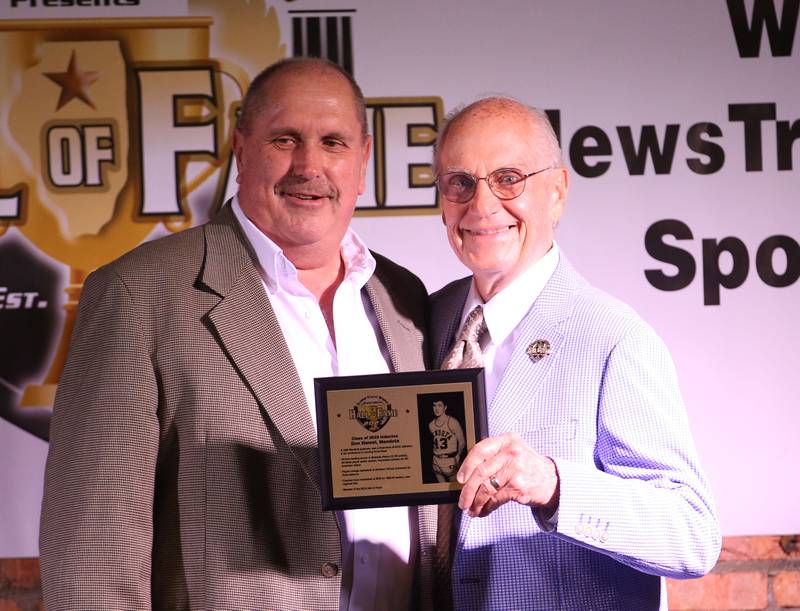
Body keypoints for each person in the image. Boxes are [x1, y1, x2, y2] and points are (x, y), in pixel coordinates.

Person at [39, 58, 436, 611]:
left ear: (364, 161)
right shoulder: (139, 296)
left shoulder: (405, 298)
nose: (309, 165)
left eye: (334, 142)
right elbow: (91, 561)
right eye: (285, 139)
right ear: (241, 147)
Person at [430, 97, 721, 610]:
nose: (482, 206)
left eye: (509, 178)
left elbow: (692, 533)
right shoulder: (422, 320)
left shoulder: (613, 337)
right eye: (460, 182)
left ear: (558, 192)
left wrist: (554, 484)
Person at [428, 399, 466, 483]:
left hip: (450, 461)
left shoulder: (452, 422)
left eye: (439, 405)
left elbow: (462, 442)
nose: (436, 408)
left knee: (453, 491)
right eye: (434, 405)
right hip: (436, 461)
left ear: (445, 408)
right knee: (441, 491)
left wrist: (458, 455)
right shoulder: (431, 424)